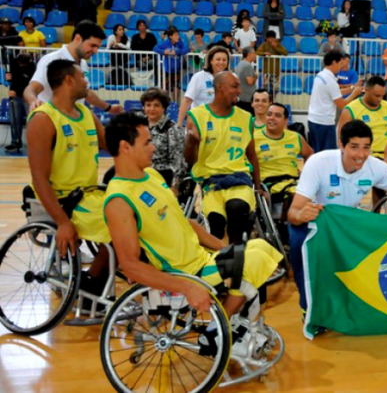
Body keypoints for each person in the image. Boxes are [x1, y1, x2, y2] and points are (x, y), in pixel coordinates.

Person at [103, 112, 282, 328]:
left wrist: (226, 249)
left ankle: (228, 324)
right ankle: (217, 332)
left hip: (202, 259)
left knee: (261, 248)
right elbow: (130, 266)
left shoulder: (152, 176)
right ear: (125, 147)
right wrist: (187, 287)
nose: (154, 147)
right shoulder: (119, 200)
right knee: (253, 262)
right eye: (147, 142)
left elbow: (187, 222)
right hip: (186, 274)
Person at [287, 119, 387, 312]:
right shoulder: (319, 163)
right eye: (354, 147)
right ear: (341, 145)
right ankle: (309, 306)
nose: (361, 154)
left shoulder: (374, 166)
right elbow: (293, 213)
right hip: (317, 220)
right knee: (298, 243)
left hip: (347, 222)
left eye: (366, 147)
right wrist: (301, 214)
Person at [27, 59, 111, 296]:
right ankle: (92, 284)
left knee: (142, 213)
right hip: (66, 200)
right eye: (83, 77)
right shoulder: (43, 119)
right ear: (69, 80)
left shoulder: (86, 113)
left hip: (92, 194)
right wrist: (63, 222)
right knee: (124, 224)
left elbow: (113, 147)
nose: (87, 82)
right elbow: (39, 179)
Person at [184, 71, 262, 244]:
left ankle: (237, 257)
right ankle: (220, 262)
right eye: (235, 86)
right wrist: (190, 141)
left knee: (236, 208)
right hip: (211, 183)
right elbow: (190, 160)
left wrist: (258, 187)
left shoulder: (246, 117)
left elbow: (252, 156)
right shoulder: (197, 116)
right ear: (220, 87)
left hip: (239, 180)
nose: (239, 91)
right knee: (216, 224)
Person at [23, 20, 122, 114]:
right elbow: (32, 88)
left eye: (98, 47)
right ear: (78, 38)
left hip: (74, 121)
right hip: (52, 122)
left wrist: (108, 108)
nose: (96, 51)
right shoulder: (50, 60)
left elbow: (86, 93)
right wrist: (34, 101)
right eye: (92, 45)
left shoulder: (83, 64)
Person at [254, 102, 314, 206]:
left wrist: (305, 173)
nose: (272, 118)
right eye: (269, 114)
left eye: (277, 115)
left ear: (285, 120)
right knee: (296, 196)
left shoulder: (295, 137)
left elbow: (309, 154)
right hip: (269, 184)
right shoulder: (254, 138)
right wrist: (257, 188)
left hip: (293, 182)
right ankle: (287, 220)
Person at [307, 50, 363, 152]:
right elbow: (341, 104)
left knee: (317, 153)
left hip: (313, 120)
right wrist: (355, 93)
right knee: (328, 155)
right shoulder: (330, 80)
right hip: (324, 123)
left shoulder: (320, 75)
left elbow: (335, 92)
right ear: (334, 62)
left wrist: (352, 88)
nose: (341, 66)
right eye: (340, 63)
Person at [139, 88, 185, 191]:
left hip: (163, 176)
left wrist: (175, 187)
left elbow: (179, 162)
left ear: (164, 107)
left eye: (156, 105)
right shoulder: (139, 126)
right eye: (148, 105)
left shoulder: (173, 129)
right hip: (140, 173)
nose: (151, 109)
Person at [337, 76, 387, 159]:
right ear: (367, 89)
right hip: (366, 156)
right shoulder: (350, 110)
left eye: (382, 96)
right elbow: (341, 139)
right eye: (377, 95)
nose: (380, 99)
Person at [177, 46, 229, 127]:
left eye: (224, 60)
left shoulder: (232, 77)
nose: (221, 62)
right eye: (218, 59)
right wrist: (179, 125)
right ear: (211, 61)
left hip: (223, 126)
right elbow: (187, 101)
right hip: (200, 125)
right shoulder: (199, 77)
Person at [5, 53, 35, 153]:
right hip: (15, 95)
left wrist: (17, 91)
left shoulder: (32, 67)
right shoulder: (14, 63)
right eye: (19, 63)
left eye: (22, 64)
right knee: (15, 120)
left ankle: (34, 143)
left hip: (27, 96)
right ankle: (15, 142)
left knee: (31, 120)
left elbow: (28, 82)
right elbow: (14, 78)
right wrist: (9, 78)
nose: (20, 66)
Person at [153, 26, 189, 101]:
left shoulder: (180, 42)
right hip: (166, 69)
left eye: (178, 35)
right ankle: (165, 104)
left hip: (176, 69)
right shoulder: (165, 43)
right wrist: (163, 52)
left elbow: (187, 49)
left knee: (176, 86)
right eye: (175, 35)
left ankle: (175, 104)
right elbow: (155, 48)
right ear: (170, 36)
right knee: (165, 87)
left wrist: (177, 52)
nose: (178, 37)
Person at [256, 30, 288, 95]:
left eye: (273, 37)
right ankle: (266, 100)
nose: (271, 39)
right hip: (266, 71)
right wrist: (264, 53)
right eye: (269, 38)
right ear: (266, 38)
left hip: (275, 71)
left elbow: (285, 53)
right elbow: (257, 52)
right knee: (265, 87)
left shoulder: (278, 44)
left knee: (275, 89)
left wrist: (275, 47)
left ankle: (272, 100)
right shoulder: (264, 44)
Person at [234, 47, 258, 114]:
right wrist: (256, 76)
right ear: (249, 54)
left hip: (241, 97)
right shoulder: (248, 66)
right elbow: (250, 82)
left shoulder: (240, 64)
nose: (255, 55)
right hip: (247, 99)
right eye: (254, 53)